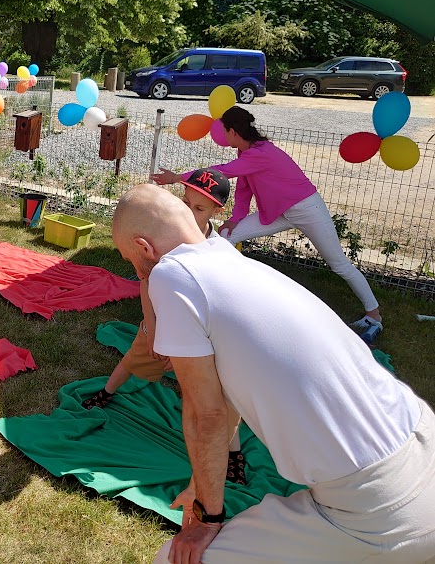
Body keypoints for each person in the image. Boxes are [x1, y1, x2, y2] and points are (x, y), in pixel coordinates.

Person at [110, 185, 435, 564]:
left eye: (131, 260)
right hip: (423, 442)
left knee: (175, 559)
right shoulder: (229, 258)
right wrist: (199, 487)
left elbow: (205, 413)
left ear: (144, 247)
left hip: (381, 511)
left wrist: (206, 518)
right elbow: (226, 402)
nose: (137, 272)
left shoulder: (170, 274)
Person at [152, 106, 384, 341]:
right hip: (280, 213)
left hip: (307, 210)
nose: (222, 136)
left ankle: (373, 315)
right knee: (226, 236)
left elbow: (222, 172)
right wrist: (235, 219)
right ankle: (212, 291)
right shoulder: (246, 153)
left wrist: (177, 178)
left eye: (224, 131)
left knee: (339, 264)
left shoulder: (260, 153)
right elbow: (244, 189)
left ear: (232, 131)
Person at [83, 170, 247, 486]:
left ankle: (233, 454)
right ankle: (107, 391)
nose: (189, 212)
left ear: (217, 211)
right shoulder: (164, 243)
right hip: (160, 320)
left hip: (205, 335)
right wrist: (154, 329)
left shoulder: (219, 250)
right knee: (135, 356)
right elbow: (147, 281)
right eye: (185, 203)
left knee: (222, 398)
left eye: (199, 208)